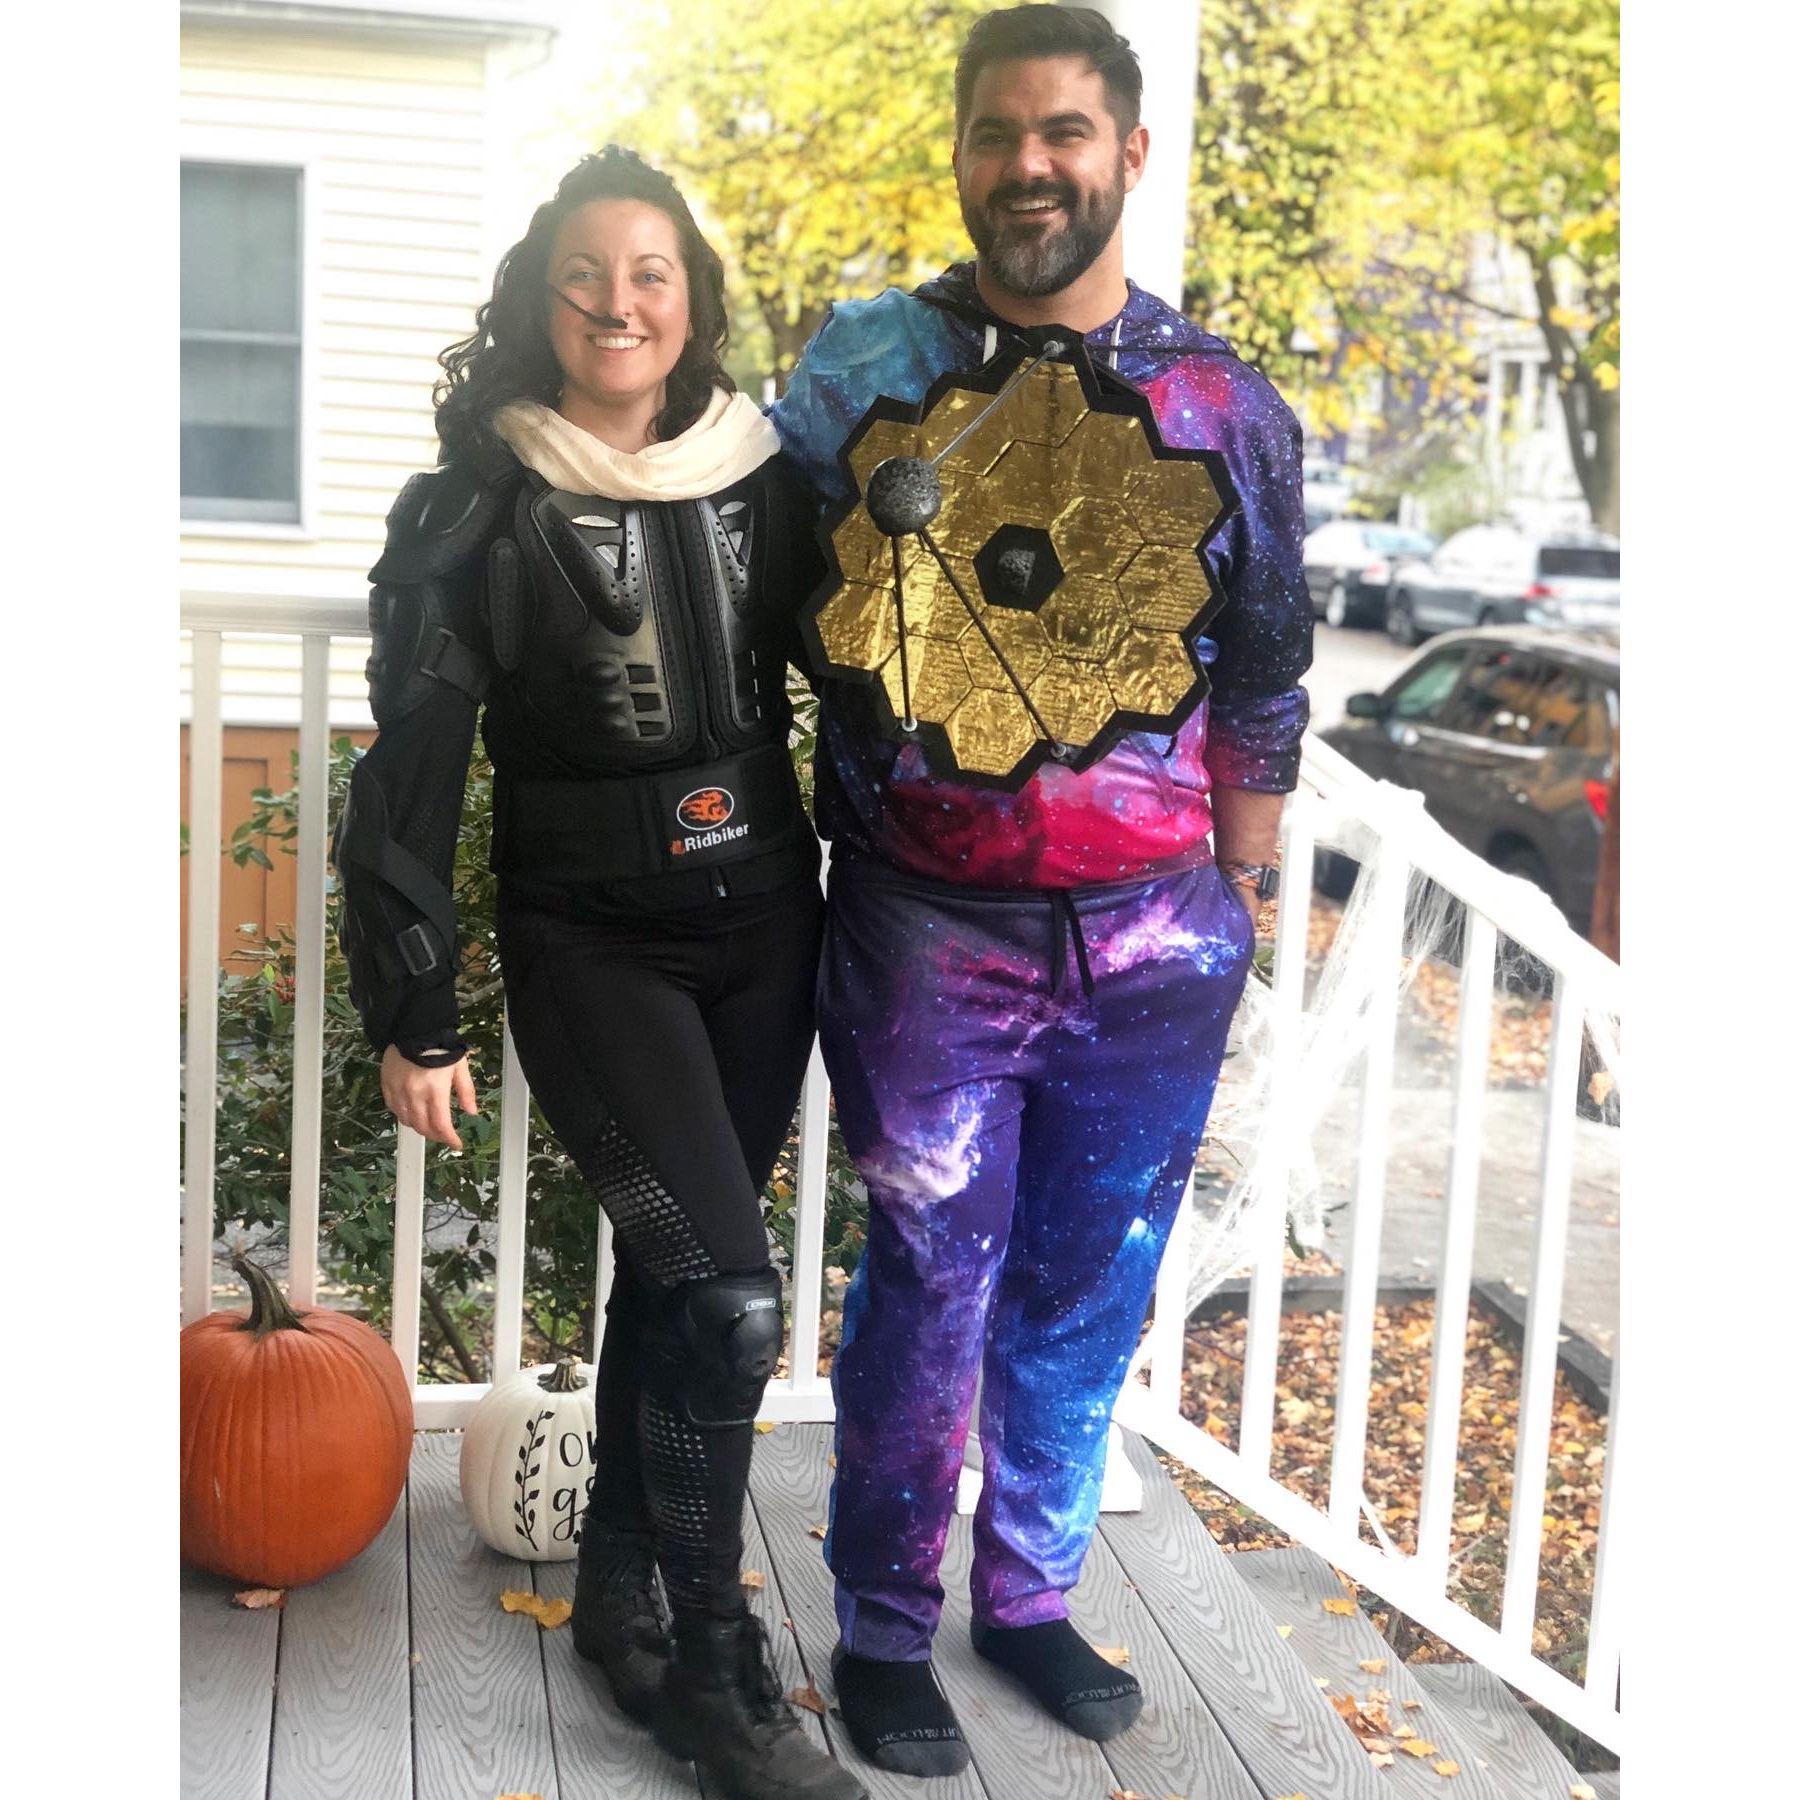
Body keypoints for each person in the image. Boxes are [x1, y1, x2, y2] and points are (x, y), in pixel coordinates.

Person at [770, 6, 1312, 1777]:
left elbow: (1266, 663)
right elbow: (750, 575)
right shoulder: (865, 370)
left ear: (1127, 153)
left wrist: (1241, 901)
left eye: (1064, 132)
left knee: (1091, 1284)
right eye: (997, 132)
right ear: (960, 150)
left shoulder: (1225, 405)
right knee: (930, 1281)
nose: (1029, 166)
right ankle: (881, 1625)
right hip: (929, 930)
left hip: (1158, 939)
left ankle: (1026, 1596)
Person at [333, 146, 863, 1800]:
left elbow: (878, 670)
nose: (617, 304)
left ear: (691, 299)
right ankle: (714, 1665)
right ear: (539, 300)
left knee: (677, 1279)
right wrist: (412, 1005)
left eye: (649, 274)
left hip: (767, 924)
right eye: (583, 275)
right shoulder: (475, 504)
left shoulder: (770, 480)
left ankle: (620, 1598)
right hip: (591, 938)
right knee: (731, 1299)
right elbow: (409, 770)